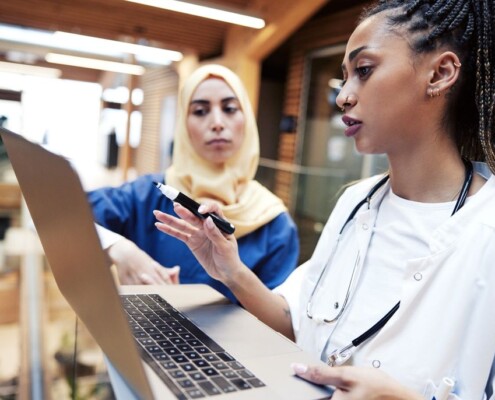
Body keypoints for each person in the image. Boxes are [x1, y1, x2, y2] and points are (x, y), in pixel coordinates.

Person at [153, 0, 495, 398]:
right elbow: (294, 323)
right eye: (344, 77)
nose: (343, 97)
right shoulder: (354, 203)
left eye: (364, 71)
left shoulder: (485, 231)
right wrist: (230, 270)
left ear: (440, 73)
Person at [88, 64, 299, 303]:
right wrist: (119, 248)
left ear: (248, 121)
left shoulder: (274, 224)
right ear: (183, 126)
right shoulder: (147, 195)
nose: (217, 122)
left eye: (230, 108)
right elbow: (61, 211)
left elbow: (279, 324)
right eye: (200, 111)